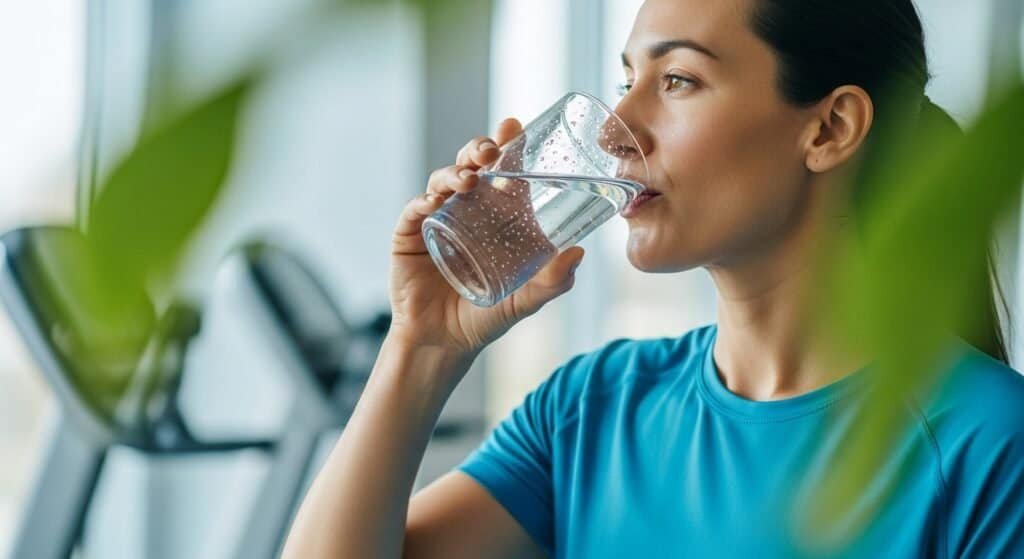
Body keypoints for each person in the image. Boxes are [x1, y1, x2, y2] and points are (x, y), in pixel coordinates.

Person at [282, 0, 1024, 556]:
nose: (613, 128)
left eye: (677, 79)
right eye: (626, 79)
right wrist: (424, 344)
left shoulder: (990, 445)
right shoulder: (591, 408)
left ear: (829, 129)